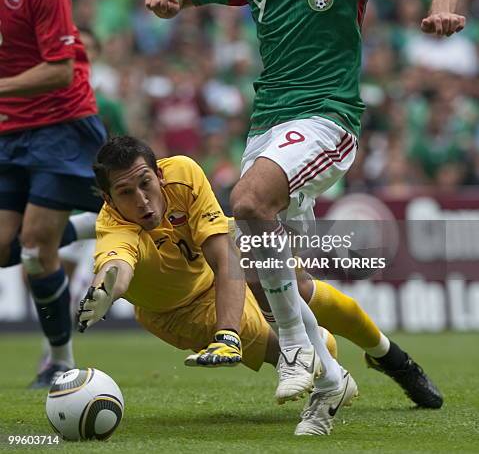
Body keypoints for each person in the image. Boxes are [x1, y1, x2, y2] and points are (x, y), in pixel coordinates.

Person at [145, 0, 461, 434]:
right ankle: (364, 368)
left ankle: (296, 350)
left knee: (246, 203)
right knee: (271, 280)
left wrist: (442, 6)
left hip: (327, 119)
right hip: (268, 125)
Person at [76, 135, 357, 437]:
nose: (141, 200)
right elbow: (116, 267)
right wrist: (105, 292)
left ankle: (372, 355)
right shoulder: (113, 226)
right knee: (310, 346)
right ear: (109, 200)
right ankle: (332, 374)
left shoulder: (183, 173)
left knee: (255, 242)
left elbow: (224, 256)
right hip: (182, 309)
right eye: (125, 192)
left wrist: (227, 336)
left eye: (145, 183)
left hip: (215, 273)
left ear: (159, 174)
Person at [0, 0, 107, 388]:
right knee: (9, 248)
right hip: (8, 129)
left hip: (58, 123)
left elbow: (60, 71)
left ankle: (60, 360)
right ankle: (88, 226)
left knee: (35, 243)